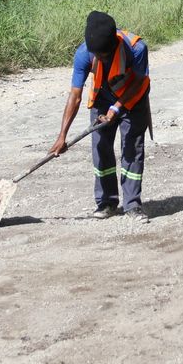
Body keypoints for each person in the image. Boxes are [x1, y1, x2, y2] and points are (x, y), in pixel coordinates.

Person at [50, 11, 152, 223]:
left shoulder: (136, 48)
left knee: (132, 150)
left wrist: (116, 109)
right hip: (101, 100)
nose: (101, 59)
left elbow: (137, 83)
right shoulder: (83, 54)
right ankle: (107, 202)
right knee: (101, 149)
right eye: (98, 55)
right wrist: (62, 136)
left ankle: (133, 204)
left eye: (105, 55)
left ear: (114, 43)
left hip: (133, 99)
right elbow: (75, 96)